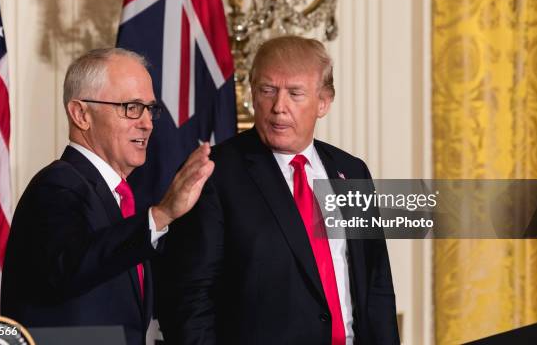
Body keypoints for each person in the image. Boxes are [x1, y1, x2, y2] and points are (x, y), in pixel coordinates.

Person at [159, 36, 400, 344]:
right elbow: (189, 298)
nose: (278, 107)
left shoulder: (351, 171)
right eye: (267, 90)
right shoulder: (215, 173)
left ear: (324, 102)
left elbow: (376, 284)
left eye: (295, 93)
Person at [1, 48, 214, 345]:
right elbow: (70, 267)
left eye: (149, 109)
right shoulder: (57, 186)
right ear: (81, 114)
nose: (147, 123)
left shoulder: (117, 197)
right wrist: (161, 214)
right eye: (131, 107)